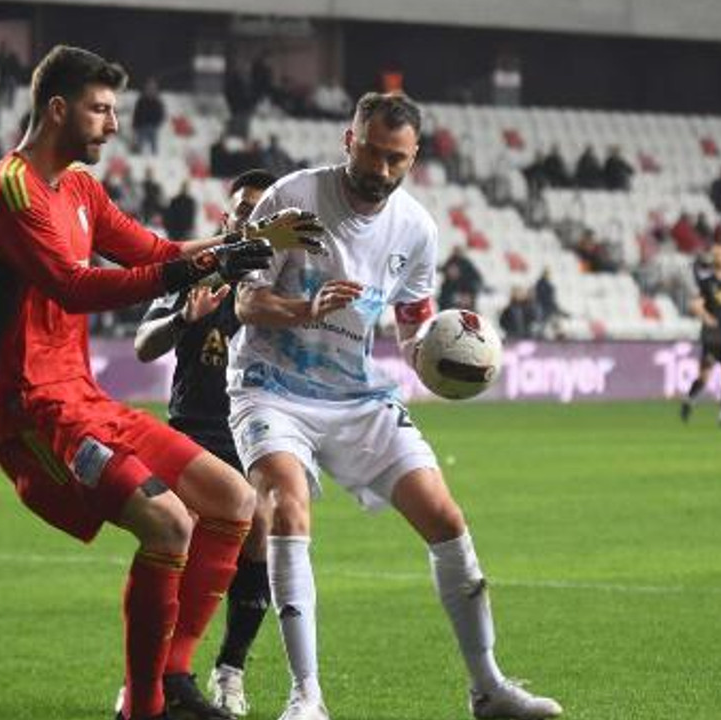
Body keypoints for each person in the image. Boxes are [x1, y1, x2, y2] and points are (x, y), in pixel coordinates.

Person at [0, 46, 322, 720]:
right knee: (167, 523)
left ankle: (176, 681)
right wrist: (197, 268)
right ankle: (147, 708)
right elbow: (72, 287)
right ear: (58, 109)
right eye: (101, 109)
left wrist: (245, 241)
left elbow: (154, 251)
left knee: (233, 499)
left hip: (84, 397)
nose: (114, 124)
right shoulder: (7, 191)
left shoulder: (80, 189)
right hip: (29, 410)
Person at [230, 92, 561, 720]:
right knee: (286, 507)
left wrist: (440, 354)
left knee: (444, 516)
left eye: (397, 160)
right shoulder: (292, 198)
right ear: (349, 141)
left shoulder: (417, 228)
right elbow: (246, 302)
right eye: (374, 154)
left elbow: (410, 323)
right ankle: (307, 699)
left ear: (414, 159)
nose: (382, 171)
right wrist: (306, 308)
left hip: (356, 395)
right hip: (271, 384)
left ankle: (487, 688)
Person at [134, 169, 278, 717]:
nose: (251, 219)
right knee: (178, 541)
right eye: (244, 209)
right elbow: (145, 346)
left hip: (256, 433)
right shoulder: (194, 275)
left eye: (264, 212)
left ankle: (230, 670)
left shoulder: (283, 283)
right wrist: (180, 317)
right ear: (227, 218)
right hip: (193, 430)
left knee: (262, 529)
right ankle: (152, 676)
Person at [681, 243, 721, 426]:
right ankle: (690, 400)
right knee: (705, 376)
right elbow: (695, 305)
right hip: (711, 336)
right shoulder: (707, 283)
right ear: (713, 259)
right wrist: (706, 317)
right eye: (717, 255)